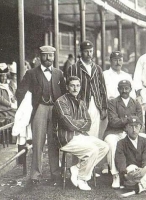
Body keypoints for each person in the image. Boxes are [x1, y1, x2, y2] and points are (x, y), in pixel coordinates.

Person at [16, 46, 66, 184]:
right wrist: (27, 108)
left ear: (54, 57)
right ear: (40, 57)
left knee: (53, 142)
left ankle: (55, 173)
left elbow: (64, 93)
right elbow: (20, 91)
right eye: (45, 55)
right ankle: (35, 175)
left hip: (55, 110)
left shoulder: (59, 74)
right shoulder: (31, 73)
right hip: (39, 109)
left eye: (51, 55)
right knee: (38, 142)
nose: (48, 58)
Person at [53, 76, 109, 191]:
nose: (75, 88)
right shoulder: (60, 102)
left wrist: (77, 124)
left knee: (104, 146)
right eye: (72, 85)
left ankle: (76, 168)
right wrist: (80, 124)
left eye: (78, 85)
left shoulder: (82, 102)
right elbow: (68, 124)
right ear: (67, 87)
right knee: (93, 150)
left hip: (79, 136)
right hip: (65, 138)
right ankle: (82, 178)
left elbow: (88, 123)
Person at [104, 80, 146, 189]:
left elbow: (140, 122)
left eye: (126, 88)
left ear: (130, 89)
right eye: (122, 88)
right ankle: (116, 175)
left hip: (132, 132)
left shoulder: (136, 103)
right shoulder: (113, 102)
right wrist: (130, 119)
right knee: (111, 142)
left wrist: (126, 122)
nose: (124, 91)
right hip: (115, 132)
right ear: (118, 89)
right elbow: (113, 121)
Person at [67, 40, 108, 139]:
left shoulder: (97, 68)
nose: (89, 54)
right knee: (81, 135)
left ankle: (93, 154)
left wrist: (104, 107)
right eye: (86, 51)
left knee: (94, 133)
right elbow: (69, 90)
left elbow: (103, 88)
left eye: (91, 51)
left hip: (96, 105)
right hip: (80, 105)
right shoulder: (73, 68)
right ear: (81, 52)